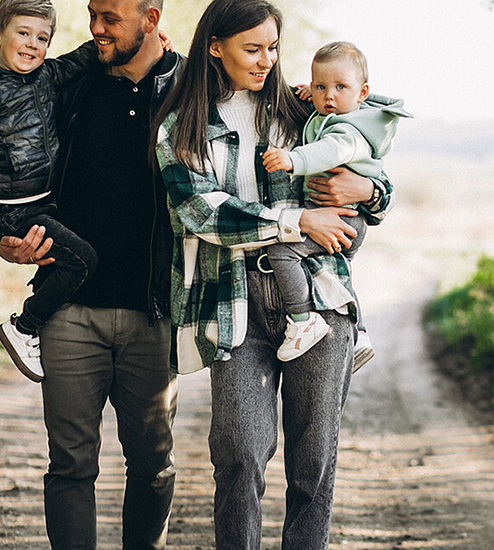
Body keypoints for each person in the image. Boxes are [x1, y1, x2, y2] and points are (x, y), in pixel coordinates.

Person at [152, 0, 392, 548]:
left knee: (314, 460)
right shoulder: (183, 127)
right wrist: (293, 219)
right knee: (238, 451)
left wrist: (372, 191)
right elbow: (200, 211)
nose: (267, 61)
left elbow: (373, 152)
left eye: (274, 48)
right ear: (216, 46)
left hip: (318, 296)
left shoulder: (304, 110)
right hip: (230, 299)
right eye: (252, 48)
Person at [0, 0, 182, 548]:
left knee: (152, 464)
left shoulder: (191, 86)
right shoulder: (67, 86)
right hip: (69, 310)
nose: (95, 28)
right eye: (92, 13)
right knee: (70, 464)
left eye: (111, 18)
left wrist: (367, 187)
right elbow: (10, 156)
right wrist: (10, 234)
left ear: (150, 20)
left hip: (155, 309)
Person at [0, 0, 99, 384]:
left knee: (69, 252)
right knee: (83, 260)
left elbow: (85, 57)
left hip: (42, 202)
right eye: (23, 33)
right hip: (10, 210)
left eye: (42, 37)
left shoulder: (47, 75)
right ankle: (26, 326)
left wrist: (150, 37)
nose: (32, 44)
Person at [260, 41, 410, 365]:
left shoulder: (350, 130)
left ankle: (302, 320)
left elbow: (330, 151)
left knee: (282, 251)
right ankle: (359, 333)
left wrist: (292, 159)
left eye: (340, 87)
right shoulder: (332, 113)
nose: (329, 95)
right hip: (342, 216)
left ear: (362, 92)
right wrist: (307, 94)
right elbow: (321, 114)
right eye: (321, 86)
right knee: (332, 270)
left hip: (347, 217)